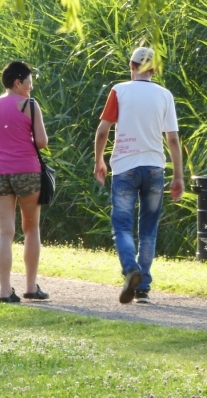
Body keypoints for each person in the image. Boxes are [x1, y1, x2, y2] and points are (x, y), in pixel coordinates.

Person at [94, 46, 184, 304]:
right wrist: (178, 176)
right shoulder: (164, 95)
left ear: (131, 66)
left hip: (124, 166)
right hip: (155, 167)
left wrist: (99, 160)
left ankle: (130, 268)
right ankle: (143, 286)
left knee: (122, 224)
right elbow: (174, 139)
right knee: (148, 229)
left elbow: (102, 131)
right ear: (154, 70)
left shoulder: (119, 91)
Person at [0, 61, 50, 303]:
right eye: (29, 83)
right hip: (27, 172)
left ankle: (5, 290)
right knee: (31, 228)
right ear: (18, 82)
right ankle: (30, 286)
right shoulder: (29, 105)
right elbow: (41, 141)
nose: (30, 88)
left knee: (4, 232)